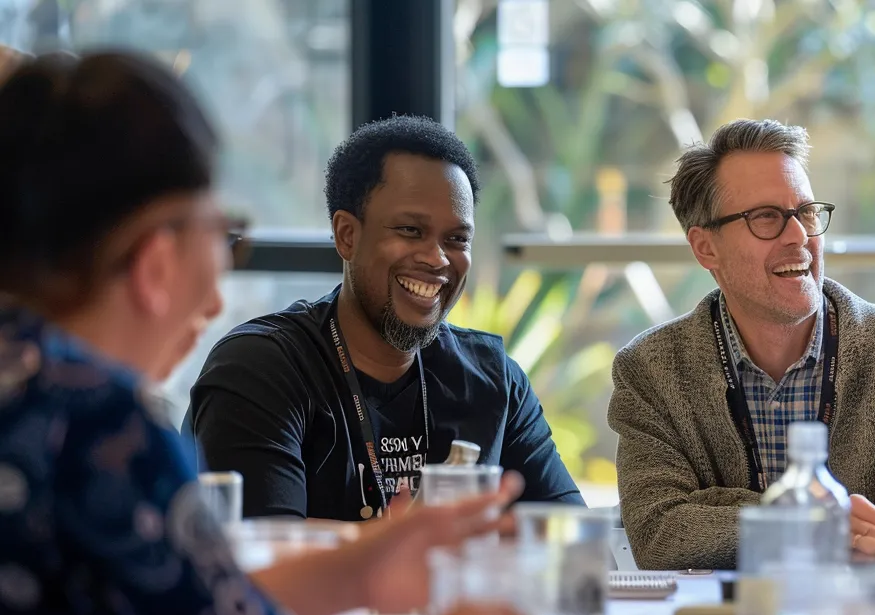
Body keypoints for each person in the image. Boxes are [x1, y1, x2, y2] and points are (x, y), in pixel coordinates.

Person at [0, 50, 536, 615]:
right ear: (155, 263)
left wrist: (360, 568)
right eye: (220, 229)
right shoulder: (95, 427)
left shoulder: (32, 391)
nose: (222, 276)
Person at [611, 119, 875, 570]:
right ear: (705, 248)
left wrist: (727, 513)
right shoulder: (651, 370)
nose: (799, 237)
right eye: (766, 218)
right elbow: (660, 534)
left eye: (807, 212)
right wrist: (817, 523)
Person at [187, 115, 583, 521]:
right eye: (410, 230)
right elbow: (266, 557)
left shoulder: (494, 380)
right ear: (347, 235)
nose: (437, 258)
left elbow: (570, 535)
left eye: (457, 239)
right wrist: (421, 542)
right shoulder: (261, 369)